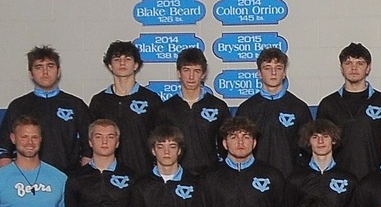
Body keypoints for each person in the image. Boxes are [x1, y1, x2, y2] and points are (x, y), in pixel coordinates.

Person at [0, 45, 89, 169]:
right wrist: (9, 177)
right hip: (28, 177)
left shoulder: (76, 105)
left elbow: (88, 149)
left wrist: (83, 177)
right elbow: (4, 148)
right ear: (30, 73)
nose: (45, 72)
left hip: (68, 176)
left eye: (50, 66)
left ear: (58, 71)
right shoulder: (18, 106)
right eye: (39, 67)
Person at [234, 47, 312, 178]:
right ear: (259, 73)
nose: (273, 73)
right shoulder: (246, 109)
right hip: (254, 178)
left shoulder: (299, 107)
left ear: (284, 73)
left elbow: (308, 148)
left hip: (290, 179)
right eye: (267, 68)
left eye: (278, 68)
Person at [86, 39, 162, 174]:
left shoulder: (151, 99)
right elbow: (91, 139)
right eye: (117, 59)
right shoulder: (99, 101)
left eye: (127, 59)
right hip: (108, 174)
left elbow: (160, 138)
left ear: (136, 65)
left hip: (143, 172)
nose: (122, 63)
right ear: (110, 65)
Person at [315, 42, 381, 181]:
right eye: (348, 63)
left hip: (375, 178)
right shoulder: (328, 104)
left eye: (360, 63)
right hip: (337, 180)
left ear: (368, 68)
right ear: (341, 68)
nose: (354, 68)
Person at [156, 47, 229, 175]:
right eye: (186, 70)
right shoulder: (166, 109)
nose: (191, 76)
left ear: (203, 74)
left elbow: (227, 145)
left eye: (196, 71)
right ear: (179, 73)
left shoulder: (218, 106)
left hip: (211, 175)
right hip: (177, 176)